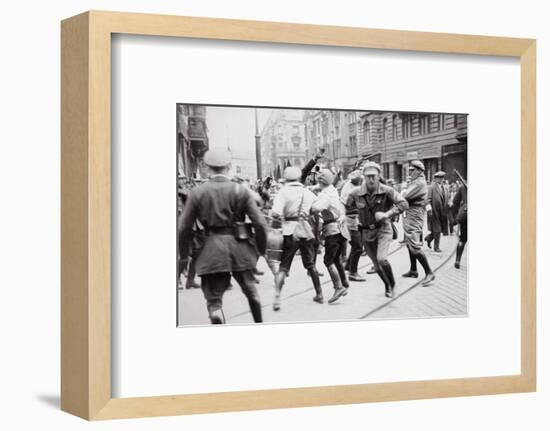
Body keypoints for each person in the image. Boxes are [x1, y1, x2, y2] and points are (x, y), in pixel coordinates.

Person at [178, 148, 267, 324]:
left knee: (213, 300)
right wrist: (260, 250)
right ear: (228, 166)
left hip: (211, 248)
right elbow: (260, 223)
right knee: (251, 292)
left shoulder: (197, 192)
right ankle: (259, 323)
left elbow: (183, 227)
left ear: (207, 167)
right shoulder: (240, 190)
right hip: (240, 247)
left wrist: (184, 253)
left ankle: (217, 314)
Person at [348, 161, 408, 298]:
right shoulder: (356, 193)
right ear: (363, 176)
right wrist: (349, 219)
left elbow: (404, 204)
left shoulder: (387, 190)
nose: (371, 179)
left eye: (373, 176)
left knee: (382, 259)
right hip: (366, 233)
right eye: (368, 176)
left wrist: (387, 214)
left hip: (383, 229)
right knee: (376, 264)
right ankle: (386, 285)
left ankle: (392, 285)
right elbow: (345, 206)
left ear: (378, 176)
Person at [271, 166, 323, 310]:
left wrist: (281, 215)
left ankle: (277, 298)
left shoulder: (283, 192)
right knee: (310, 265)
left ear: (286, 178)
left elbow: (275, 213)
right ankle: (319, 294)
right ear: (299, 178)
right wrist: (307, 213)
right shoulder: (307, 192)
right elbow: (318, 207)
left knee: (283, 267)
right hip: (305, 230)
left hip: (289, 231)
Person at [312, 169, 350, 304]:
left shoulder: (325, 195)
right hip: (340, 230)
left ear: (321, 181)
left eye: (318, 180)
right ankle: (344, 282)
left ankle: (338, 287)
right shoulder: (332, 189)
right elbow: (317, 188)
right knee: (336, 258)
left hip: (332, 230)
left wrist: (306, 206)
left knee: (328, 260)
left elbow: (316, 208)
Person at [401, 160, 435, 285]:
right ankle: (413, 270)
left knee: (414, 245)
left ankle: (429, 272)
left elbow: (405, 195)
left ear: (420, 171)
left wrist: (403, 191)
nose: (410, 172)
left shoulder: (419, 183)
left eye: (413, 170)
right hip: (410, 213)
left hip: (415, 213)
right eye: (410, 170)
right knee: (409, 243)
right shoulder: (415, 182)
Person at [340, 170, 365, 282]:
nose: (361, 180)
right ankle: (353, 273)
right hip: (349, 220)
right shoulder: (349, 189)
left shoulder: (354, 185)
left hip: (355, 220)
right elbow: (349, 207)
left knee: (356, 245)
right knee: (358, 247)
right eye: (359, 179)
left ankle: (348, 266)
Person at [425, 171, 449, 252]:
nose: (441, 179)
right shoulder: (432, 187)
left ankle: (429, 238)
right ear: (435, 179)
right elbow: (427, 200)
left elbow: (446, 199)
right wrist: (429, 210)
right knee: (437, 230)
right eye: (439, 178)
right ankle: (436, 247)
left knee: (438, 230)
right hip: (434, 212)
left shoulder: (445, 187)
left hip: (442, 212)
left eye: (442, 178)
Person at [452, 183, 468, 268]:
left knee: (462, 239)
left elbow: (455, 201)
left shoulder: (463, 187)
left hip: (465, 215)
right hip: (465, 216)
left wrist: (460, 210)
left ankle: (457, 260)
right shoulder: (464, 186)